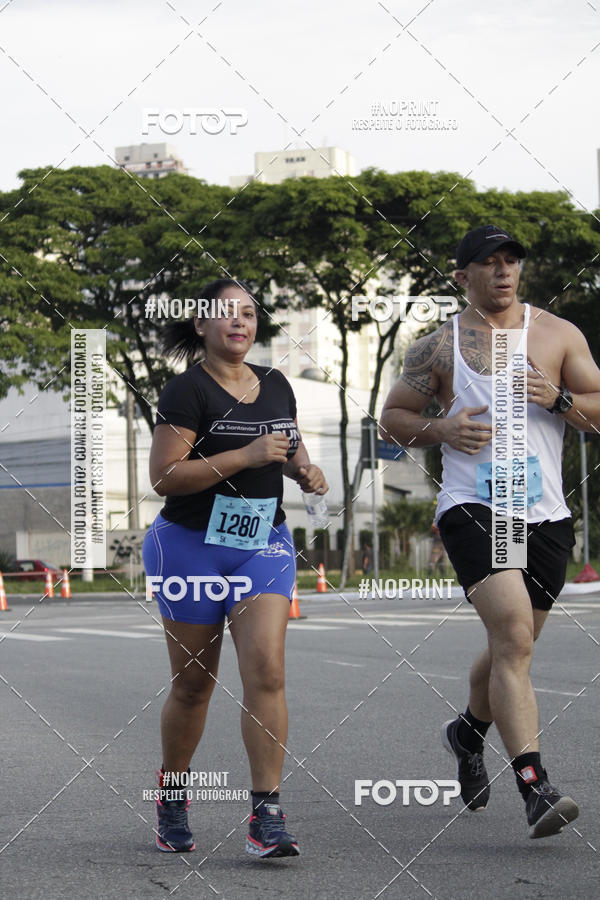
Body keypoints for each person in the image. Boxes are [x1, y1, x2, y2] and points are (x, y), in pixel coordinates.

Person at [379, 225, 600, 838]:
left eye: (511, 262)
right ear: (462, 275)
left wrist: (559, 401)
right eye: (489, 263)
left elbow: (597, 409)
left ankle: (467, 732)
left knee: (515, 645)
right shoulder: (436, 349)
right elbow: (392, 420)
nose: (503, 272)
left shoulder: (558, 334)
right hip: (476, 506)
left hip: (546, 515)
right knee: (514, 637)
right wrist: (443, 430)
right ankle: (535, 786)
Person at [142, 279, 328, 857]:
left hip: (260, 543)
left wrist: (305, 469)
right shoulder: (186, 390)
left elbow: (288, 442)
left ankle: (265, 815)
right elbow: (166, 477)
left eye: (249, 313)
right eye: (227, 314)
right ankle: (173, 795)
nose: (241, 322)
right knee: (194, 685)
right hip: (189, 547)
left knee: (267, 670)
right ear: (201, 326)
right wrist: (245, 456)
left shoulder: (275, 384)